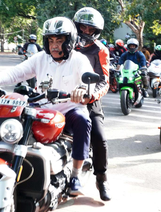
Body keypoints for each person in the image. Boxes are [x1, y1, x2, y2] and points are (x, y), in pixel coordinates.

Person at [0, 17, 95, 196]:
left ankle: (76, 175)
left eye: (59, 40)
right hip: (42, 106)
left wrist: (82, 90)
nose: (54, 45)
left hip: (69, 108)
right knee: (11, 116)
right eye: (51, 40)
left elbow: (89, 81)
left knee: (83, 120)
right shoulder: (41, 58)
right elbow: (17, 72)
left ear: (69, 41)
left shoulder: (79, 60)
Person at [73, 7, 111, 201]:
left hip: (90, 99)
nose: (86, 32)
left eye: (90, 29)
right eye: (83, 27)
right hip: (65, 96)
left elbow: (105, 81)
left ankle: (101, 179)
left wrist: (92, 95)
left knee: (99, 136)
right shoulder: (68, 44)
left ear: (96, 32)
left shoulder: (101, 50)